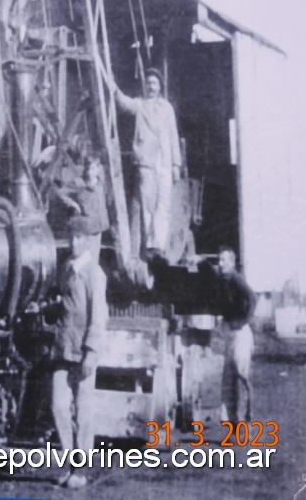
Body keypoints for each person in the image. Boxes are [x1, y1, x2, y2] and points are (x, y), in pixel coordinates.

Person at [45, 215, 108, 488]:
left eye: (79, 238)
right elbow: (63, 304)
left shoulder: (94, 273)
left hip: (83, 350)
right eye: (71, 237)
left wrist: (92, 350)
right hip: (62, 348)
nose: (74, 242)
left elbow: (99, 315)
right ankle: (70, 464)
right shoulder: (66, 269)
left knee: (83, 411)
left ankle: (81, 471)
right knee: (58, 406)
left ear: (89, 240)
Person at [111, 68, 182, 258]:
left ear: (159, 87)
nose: (151, 86)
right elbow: (123, 103)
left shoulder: (167, 108)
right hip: (147, 162)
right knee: (148, 205)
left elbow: (173, 135)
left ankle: (159, 244)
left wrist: (177, 164)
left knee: (164, 204)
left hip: (165, 162)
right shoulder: (140, 105)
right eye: (149, 83)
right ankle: (150, 246)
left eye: (154, 84)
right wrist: (114, 87)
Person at [215, 246, 256, 422]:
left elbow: (252, 299)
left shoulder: (236, 279)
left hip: (241, 333)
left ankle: (246, 416)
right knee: (228, 379)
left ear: (231, 263)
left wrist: (243, 321)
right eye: (219, 260)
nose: (220, 263)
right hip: (229, 332)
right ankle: (230, 424)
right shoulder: (221, 280)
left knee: (241, 373)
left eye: (224, 260)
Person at [52, 156, 110, 261]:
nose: (89, 172)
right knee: (84, 258)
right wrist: (73, 204)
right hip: (87, 228)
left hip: (99, 225)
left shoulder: (101, 183)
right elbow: (60, 193)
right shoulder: (79, 183)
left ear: (98, 169)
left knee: (94, 257)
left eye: (92, 169)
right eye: (87, 168)